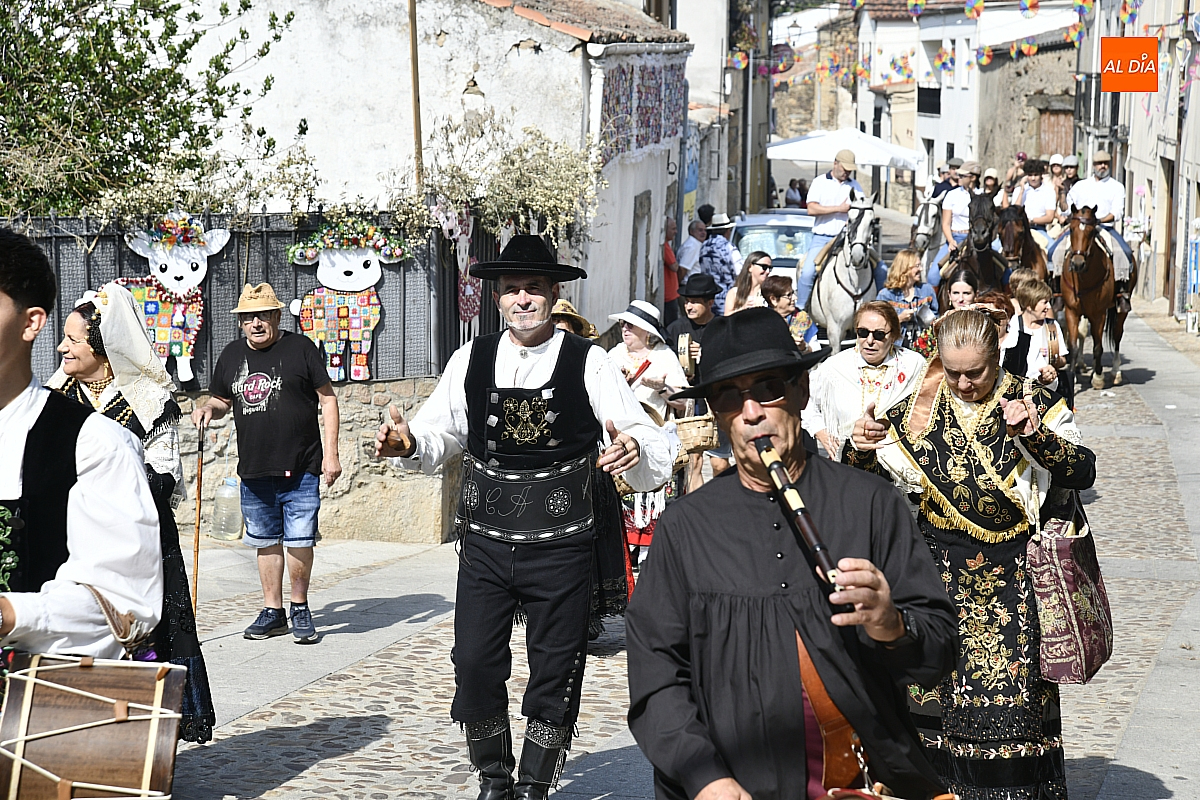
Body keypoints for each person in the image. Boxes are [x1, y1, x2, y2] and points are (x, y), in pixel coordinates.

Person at [373, 235, 675, 800]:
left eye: (533, 288)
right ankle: (494, 776)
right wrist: (408, 442)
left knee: (554, 668)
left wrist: (633, 449)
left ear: (553, 293)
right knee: (474, 659)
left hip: (563, 542)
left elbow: (648, 440)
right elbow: (442, 434)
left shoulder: (591, 362)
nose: (522, 299)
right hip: (486, 542)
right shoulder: (470, 358)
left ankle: (535, 783)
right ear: (496, 298)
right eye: (511, 289)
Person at [626, 307, 958, 800]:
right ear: (717, 416)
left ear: (801, 392)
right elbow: (656, 678)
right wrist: (705, 777)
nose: (752, 412)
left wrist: (892, 624)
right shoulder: (685, 527)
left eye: (768, 389)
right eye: (729, 397)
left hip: (861, 783)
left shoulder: (870, 503)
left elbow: (938, 652)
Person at [846, 308, 1096, 800]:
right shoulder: (915, 411)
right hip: (935, 580)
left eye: (976, 372)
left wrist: (1032, 436)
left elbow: (1082, 471)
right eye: (953, 371)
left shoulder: (1035, 399)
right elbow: (871, 495)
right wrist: (861, 449)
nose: (962, 383)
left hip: (1015, 584)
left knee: (1010, 716)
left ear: (997, 358)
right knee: (930, 707)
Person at [48, 283, 216, 742]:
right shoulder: (55, 396)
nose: (61, 347)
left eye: (73, 339)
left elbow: (164, 475)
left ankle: (145, 750)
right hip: (71, 545)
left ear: (103, 347)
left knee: (147, 639)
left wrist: (109, 480)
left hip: (141, 547)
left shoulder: (147, 399)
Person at [0, 228, 163, 660]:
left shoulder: (91, 441)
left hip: (32, 708)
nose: (65, 349)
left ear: (31, 321)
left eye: (77, 341)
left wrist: (11, 614)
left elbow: (121, 603)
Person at [190, 283, 341, 645]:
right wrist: (207, 408)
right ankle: (274, 612)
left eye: (262, 315)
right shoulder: (230, 356)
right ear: (241, 322)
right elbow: (222, 400)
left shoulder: (301, 349)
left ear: (276, 316)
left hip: (302, 466)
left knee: (301, 539)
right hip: (255, 470)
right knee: (265, 542)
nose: (255, 323)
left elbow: (328, 400)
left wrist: (332, 454)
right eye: (247, 317)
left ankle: (299, 606)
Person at [608, 301, 689, 568]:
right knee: (624, 494)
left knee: (655, 495)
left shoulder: (665, 356)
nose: (624, 329)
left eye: (630, 325)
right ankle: (624, 550)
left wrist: (663, 388)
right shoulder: (615, 354)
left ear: (646, 331)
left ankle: (652, 554)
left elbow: (684, 402)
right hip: (619, 439)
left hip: (655, 442)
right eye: (622, 324)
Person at [805, 300, 925, 460]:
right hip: (848, 464)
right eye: (862, 332)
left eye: (879, 335)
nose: (869, 341)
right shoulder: (834, 367)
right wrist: (821, 432)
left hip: (898, 465)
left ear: (894, 335)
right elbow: (803, 399)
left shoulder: (913, 365)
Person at [667, 273, 732, 493]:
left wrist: (705, 355)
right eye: (686, 301)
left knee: (720, 463)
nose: (689, 306)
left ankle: (721, 505)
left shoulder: (722, 327)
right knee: (694, 461)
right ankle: (699, 511)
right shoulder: (676, 328)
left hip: (717, 401)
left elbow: (731, 361)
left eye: (695, 301)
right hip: (689, 403)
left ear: (710, 302)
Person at [1056, 149, 1133, 311]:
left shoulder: (1117, 187)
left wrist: (1098, 220)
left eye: (1105, 163)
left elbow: (1117, 212)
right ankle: (1057, 293)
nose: (1102, 166)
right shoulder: (1081, 185)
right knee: (1054, 251)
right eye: (1099, 163)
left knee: (1123, 252)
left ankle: (1121, 293)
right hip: (1079, 228)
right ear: (1093, 165)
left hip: (1103, 226)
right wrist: (1062, 194)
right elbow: (1067, 209)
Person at [799, 149, 864, 310]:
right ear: (835, 164)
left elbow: (862, 210)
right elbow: (811, 209)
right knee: (807, 273)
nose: (847, 172)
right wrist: (839, 209)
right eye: (845, 168)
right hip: (823, 237)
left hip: (848, 239)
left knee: (878, 269)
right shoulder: (820, 182)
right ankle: (800, 310)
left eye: (850, 170)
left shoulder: (855, 186)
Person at [1000, 279, 1067, 393]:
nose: (1049, 306)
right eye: (1044, 302)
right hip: (1018, 387)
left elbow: (1063, 361)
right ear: (1029, 305)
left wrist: (1053, 358)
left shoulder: (1052, 326)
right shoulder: (1013, 324)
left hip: (1046, 387)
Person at [931, 161, 980, 286]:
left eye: (963, 176)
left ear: (973, 178)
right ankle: (933, 305)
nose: (959, 177)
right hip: (955, 239)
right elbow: (946, 223)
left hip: (977, 241)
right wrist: (951, 240)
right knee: (932, 276)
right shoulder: (952, 195)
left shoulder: (982, 195)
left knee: (1004, 271)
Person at [877, 249, 938, 348]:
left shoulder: (927, 290)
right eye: (917, 266)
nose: (921, 269)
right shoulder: (886, 295)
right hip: (895, 347)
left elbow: (936, 319)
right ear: (905, 268)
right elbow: (877, 325)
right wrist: (899, 319)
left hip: (923, 347)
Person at [696, 213, 743, 315]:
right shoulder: (729, 248)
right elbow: (740, 273)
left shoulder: (704, 246)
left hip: (709, 296)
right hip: (726, 298)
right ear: (727, 231)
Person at [761, 274, 817, 351]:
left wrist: (804, 347)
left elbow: (817, 350)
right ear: (773, 299)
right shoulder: (761, 321)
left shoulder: (802, 318)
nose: (795, 298)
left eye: (793, 293)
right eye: (789, 295)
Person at [1011, 160, 1056, 249]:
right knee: (994, 247)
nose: (1033, 178)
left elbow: (1050, 217)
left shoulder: (1049, 192)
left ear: (1041, 175)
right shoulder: (1018, 191)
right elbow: (1014, 212)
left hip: (1038, 229)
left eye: (1036, 175)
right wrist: (1021, 191)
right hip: (1019, 228)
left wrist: (1031, 221)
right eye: (1030, 175)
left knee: (1052, 249)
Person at [724, 250, 771, 314]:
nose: (768, 271)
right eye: (764, 267)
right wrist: (743, 309)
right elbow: (726, 318)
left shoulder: (769, 292)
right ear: (750, 267)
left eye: (770, 268)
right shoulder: (735, 293)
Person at [662, 216, 682, 326]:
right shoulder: (665, 246)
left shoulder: (666, 245)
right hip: (669, 295)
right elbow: (674, 266)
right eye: (673, 229)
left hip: (671, 294)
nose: (676, 232)